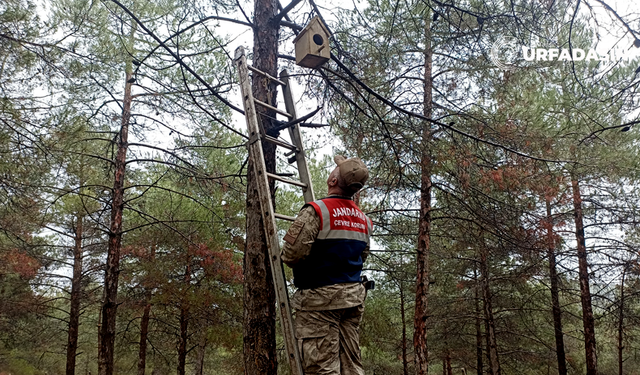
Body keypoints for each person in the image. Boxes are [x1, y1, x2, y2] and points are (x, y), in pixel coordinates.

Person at [281, 155, 372, 375]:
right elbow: (363, 255)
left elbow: (292, 255)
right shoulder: (364, 219)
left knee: (322, 369)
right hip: (352, 300)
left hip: (319, 303)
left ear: (333, 180)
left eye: (334, 169)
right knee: (351, 366)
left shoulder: (317, 211)